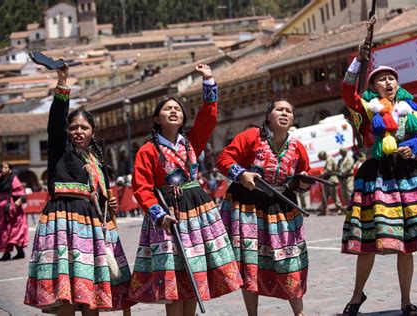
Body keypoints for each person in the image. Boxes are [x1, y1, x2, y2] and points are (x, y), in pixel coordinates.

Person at [340, 41, 417, 316]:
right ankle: (356, 296)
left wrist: (412, 148)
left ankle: (405, 301)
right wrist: (358, 61)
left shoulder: (411, 112)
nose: (388, 82)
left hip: (407, 177)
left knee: (407, 245)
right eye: (381, 79)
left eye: (391, 78)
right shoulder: (367, 109)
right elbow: (346, 91)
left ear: (397, 84)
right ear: (373, 86)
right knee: (368, 243)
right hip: (377, 178)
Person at [129, 64, 242, 316]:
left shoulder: (192, 142)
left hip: (197, 213)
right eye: (167, 108)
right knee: (173, 275)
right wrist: (160, 216)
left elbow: (209, 117)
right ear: (157, 119)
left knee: (194, 272)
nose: (173, 111)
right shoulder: (148, 150)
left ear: (183, 118)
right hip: (168, 216)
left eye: (177, 108)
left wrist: (209, 80)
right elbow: (141, 187)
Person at [24, 62, 133, 314]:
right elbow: (56, 121)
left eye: (84, 127)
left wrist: (108, 204)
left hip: (90, 223)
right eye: (73, 127)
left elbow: (99, 197)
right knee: (65, 288)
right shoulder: (59, 150)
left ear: (92, 132)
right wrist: (63, 84)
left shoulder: (96, 161)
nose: (78, 131)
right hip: (62, 219)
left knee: (88, 285)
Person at [217, 99, 311, 316]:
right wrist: (242, 174)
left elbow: (300, 180)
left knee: (290, 259)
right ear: (269, 115)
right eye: (280, 109)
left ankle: (299, 313)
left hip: (282, 208)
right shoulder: (251, 137)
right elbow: (223, 158)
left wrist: (303, 182)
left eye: (289, 110)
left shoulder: (297, 147)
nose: (285, 113)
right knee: (251, 262)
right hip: (249, 206)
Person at [0, 162, 28, 261]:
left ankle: (19, 252)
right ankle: (8, 253)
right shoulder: (0, 178)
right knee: (3, 230)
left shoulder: (13, 179)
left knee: (13, 231)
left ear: (10, 169)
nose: (3, 169)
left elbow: (23, 195)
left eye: (5, 167)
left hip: (12, 210)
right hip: (1, 210)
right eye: (2, 167)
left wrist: (17, 203)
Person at [318, 151, 342, 215]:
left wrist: (322, 174)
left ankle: (339, 209)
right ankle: (323, 210)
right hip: (328, 180)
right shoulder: (329, 159)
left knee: (334, 195)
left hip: (331, 180)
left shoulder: (329, 159)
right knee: (325, 196)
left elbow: (329, 170)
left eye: (321, 158)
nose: (321, 159)